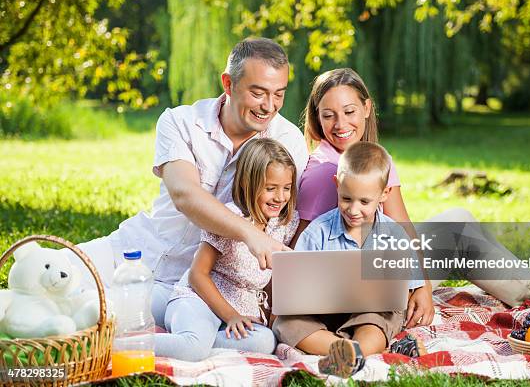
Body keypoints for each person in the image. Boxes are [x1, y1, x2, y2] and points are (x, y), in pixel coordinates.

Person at [295, 68, 530, 321]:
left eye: (348, 111)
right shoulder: (326, 172)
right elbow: (305, 250)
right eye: (328, 115)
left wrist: (422, 284)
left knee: (461, 221)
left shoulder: (370, 159)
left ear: (366, 108)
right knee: (459, 231)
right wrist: (417, 287)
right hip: (358, 286)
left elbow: (400, 226)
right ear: (317, 118)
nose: (340, 124)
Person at [71, 38, 308, 327]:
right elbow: (185, 195)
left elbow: (283, 219)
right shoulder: (181, 121)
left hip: (192, 285)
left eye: (278, 95)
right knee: (46, 273)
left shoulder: (287, 142)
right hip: (136, 250)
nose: (269, 106)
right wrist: (250, 234)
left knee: (89, 312)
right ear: (229, 84)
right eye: (258, 93)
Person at [273, 142, 424, 378]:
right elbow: (297, 283)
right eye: (346, 199)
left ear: (384, 194)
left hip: (371, 312)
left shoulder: (394, 234)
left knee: (377, 324)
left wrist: (415, 289)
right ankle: (352, 352)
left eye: (364, 202)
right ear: (336, 185)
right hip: (323, 314)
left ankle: (351, 351)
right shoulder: (317, 232)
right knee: (287, 324)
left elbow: (411, 282)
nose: (354, 210)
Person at [155, 139, 299, 361]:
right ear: (247, 184)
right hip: (199, 300)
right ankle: (121, 345)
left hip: (236, 315)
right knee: (193, 347)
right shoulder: (230, 218)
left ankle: (201, 340)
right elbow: (197, 275)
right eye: (270, 188)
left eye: (286, 188)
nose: (280, 197)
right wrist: (231, 316)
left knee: (266, 341)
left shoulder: (283, 225)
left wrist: (255, 315)